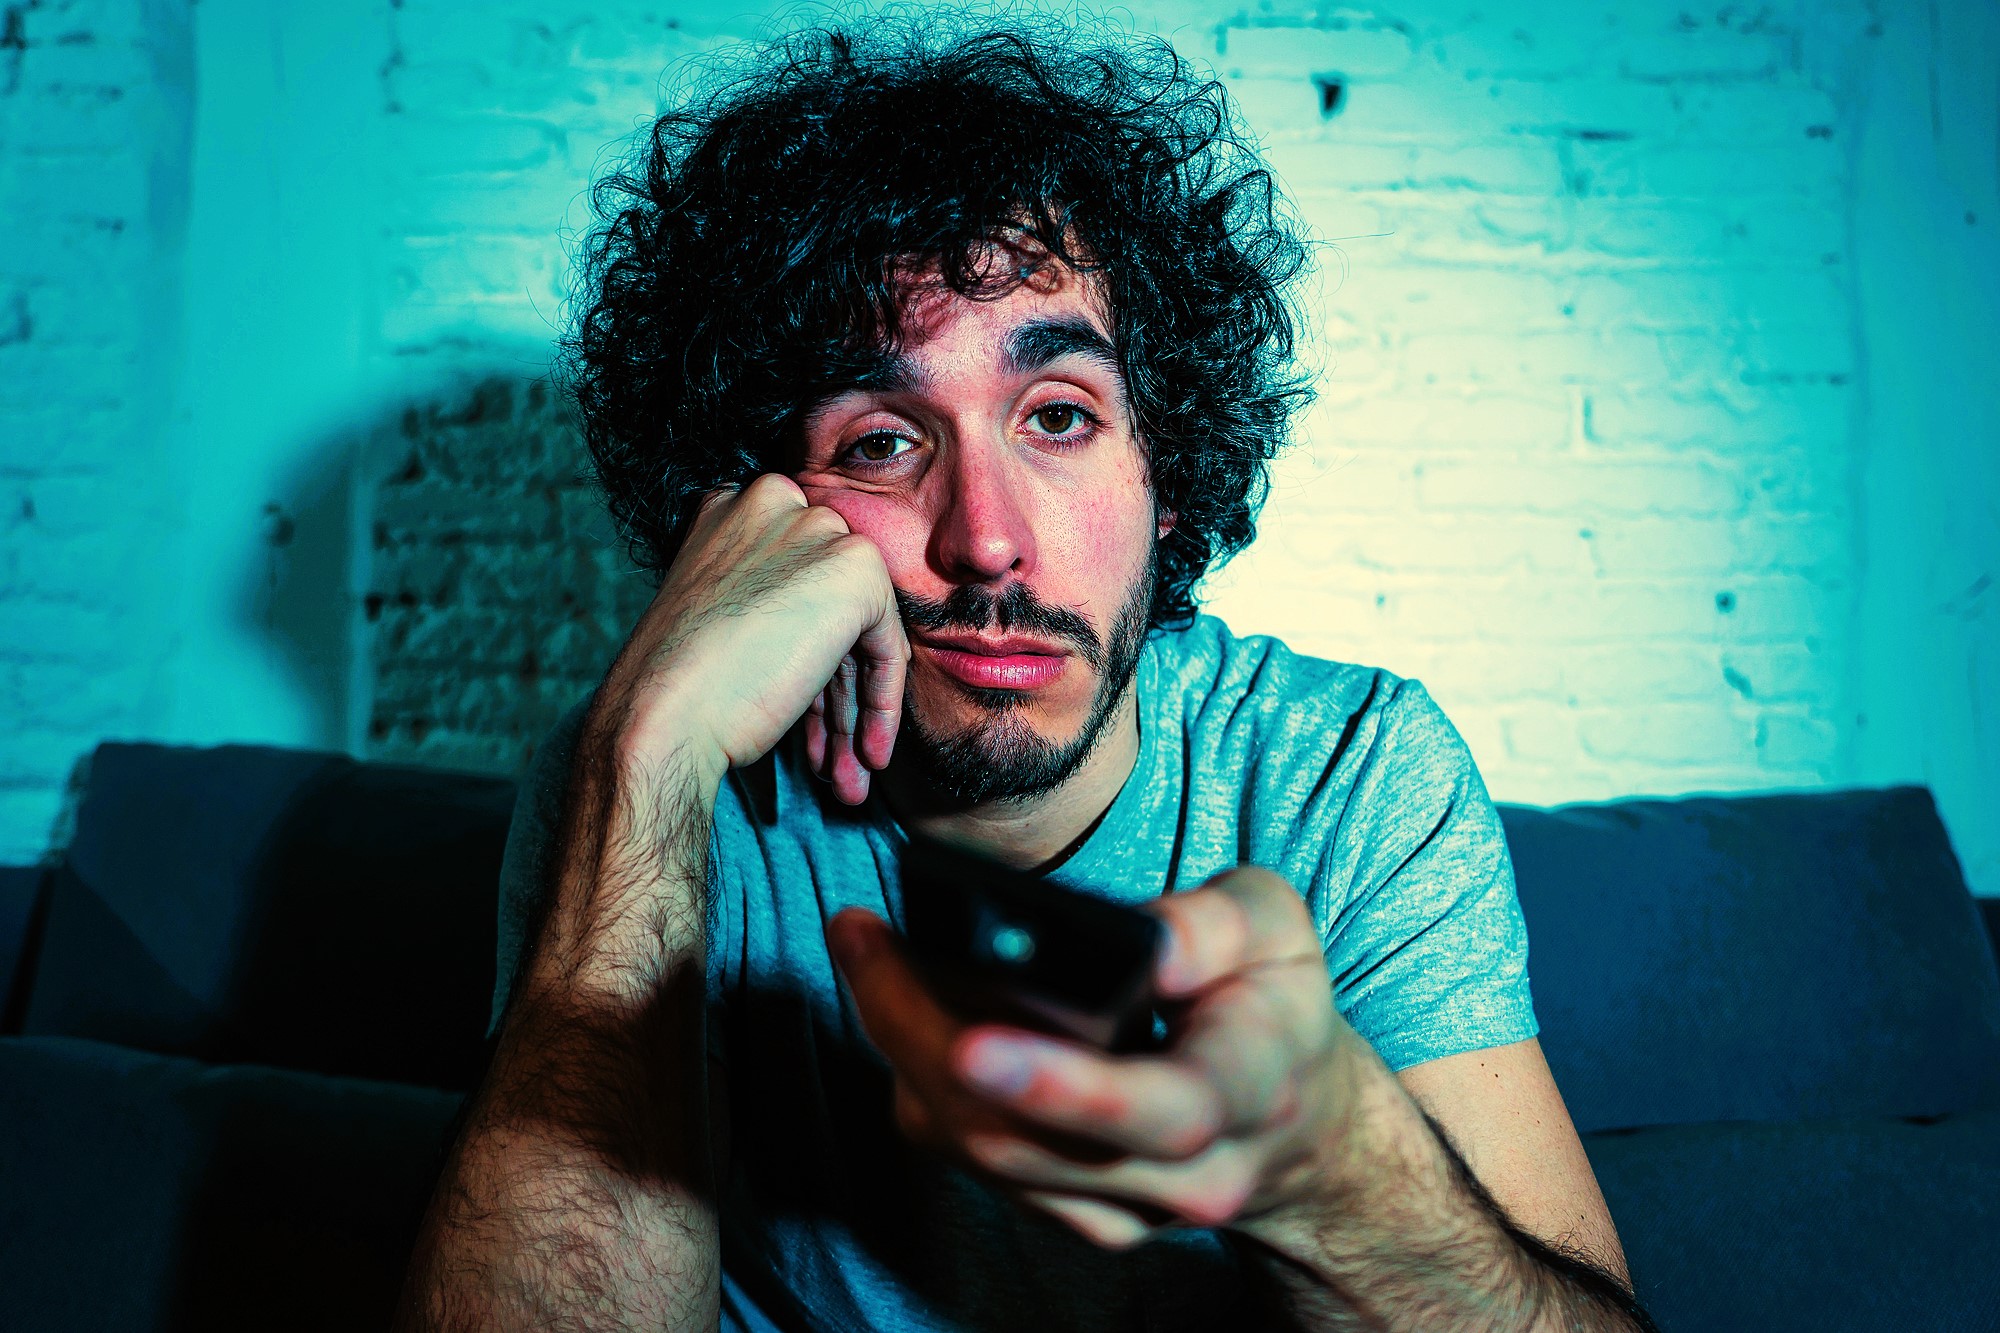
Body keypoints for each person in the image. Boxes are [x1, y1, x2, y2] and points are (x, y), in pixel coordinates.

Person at [397, 20, 1655, 1333]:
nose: (986, 534)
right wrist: (646, 754)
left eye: (1059, 414)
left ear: (1168, 479)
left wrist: (1327, 1169)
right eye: (882, 440)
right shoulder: (655, 787)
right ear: (756, 523)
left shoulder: (1345, 773)